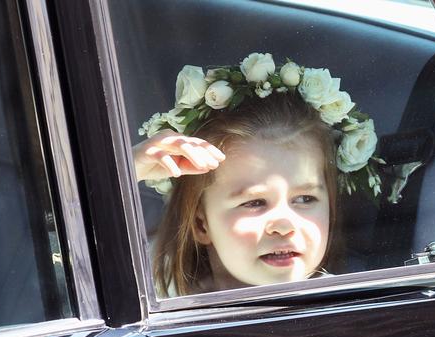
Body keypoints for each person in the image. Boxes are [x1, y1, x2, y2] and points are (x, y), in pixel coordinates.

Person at [134, 53, 382, 297]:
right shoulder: (153, 300)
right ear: (201, 224)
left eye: (306, 199)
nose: (284, 226)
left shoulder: (348, 305)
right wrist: (131, 168)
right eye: (254, 202)